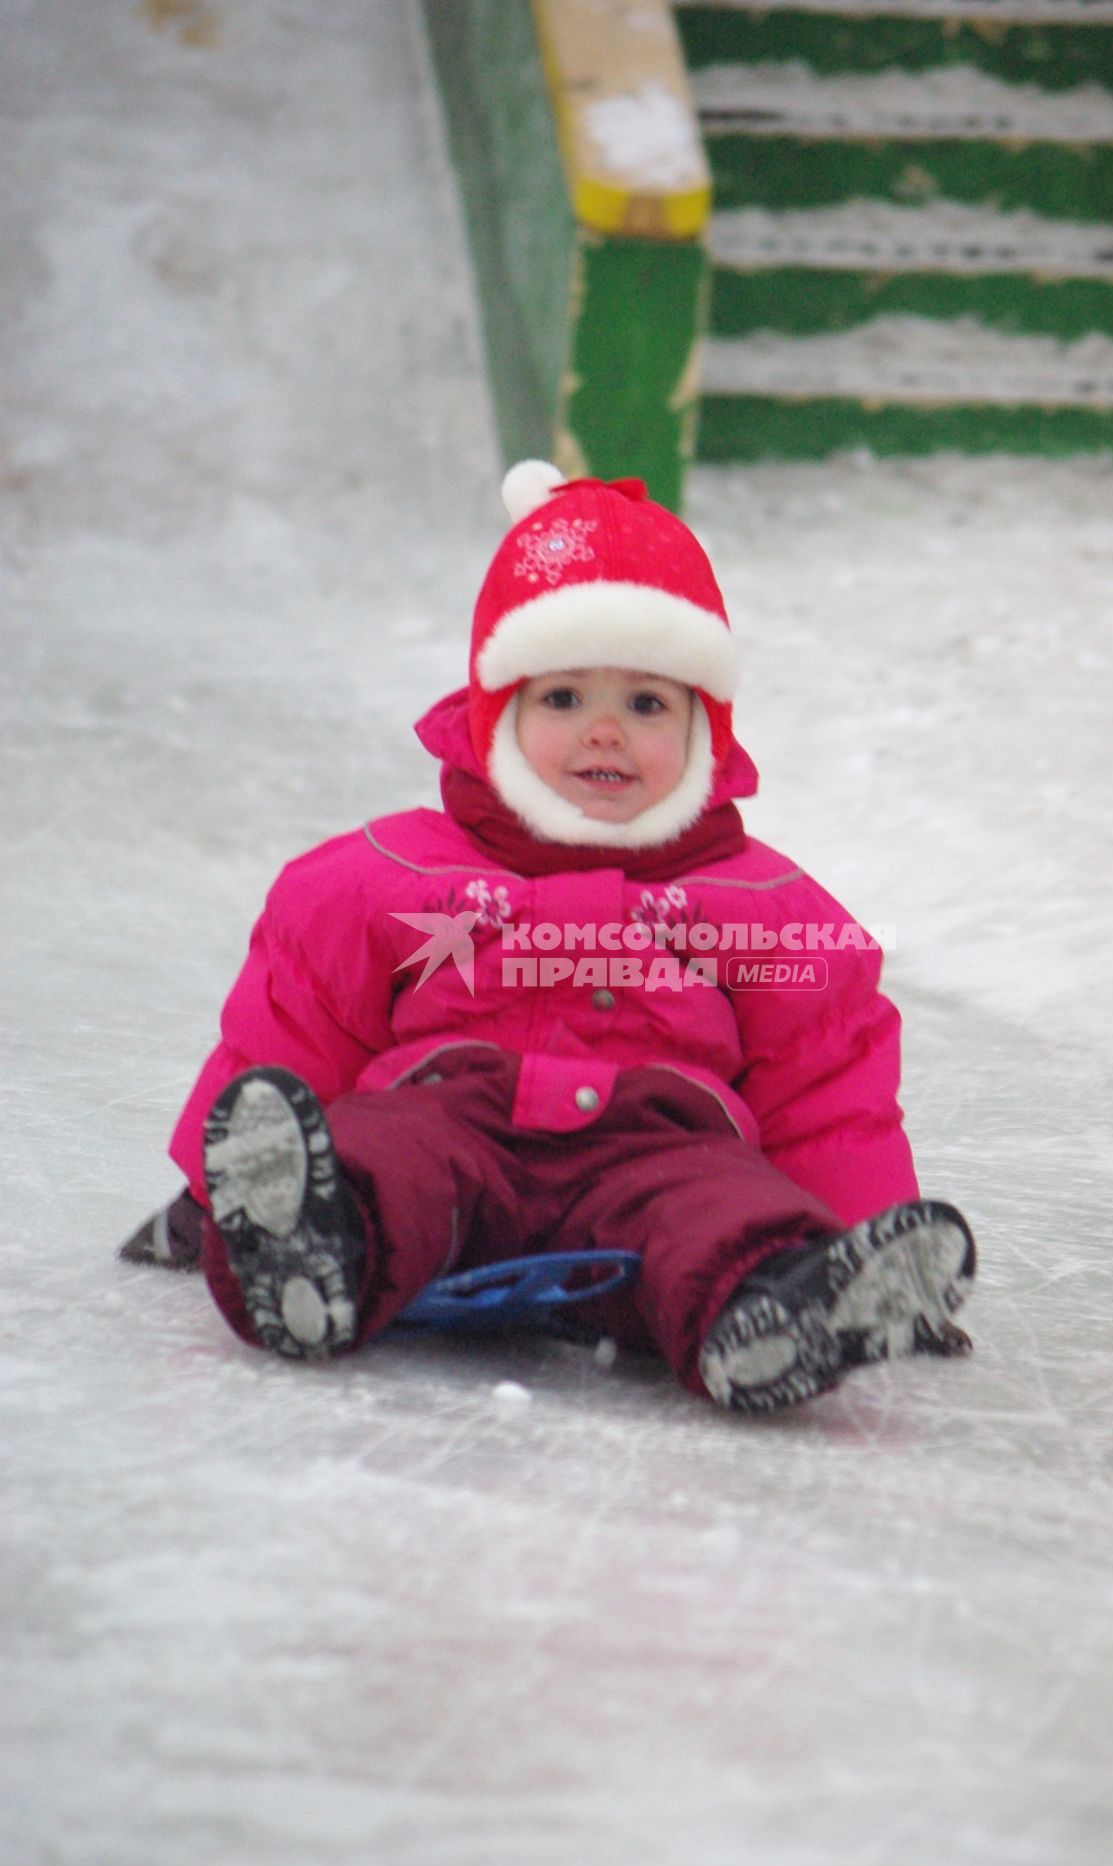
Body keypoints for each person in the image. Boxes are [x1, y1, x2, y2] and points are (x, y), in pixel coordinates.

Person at [122, 461, 976, 1414]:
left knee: (719, 1210)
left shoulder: (763, 904)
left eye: (647, 704)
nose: (604, 732)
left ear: (706, 727)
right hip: (452, 1121)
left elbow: (824, 1086)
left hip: (654, 1152)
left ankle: (783, 1304)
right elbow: (297, 1027)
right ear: (498, 711)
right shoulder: (392, 874)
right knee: (380, 1150)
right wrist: (210, 1191)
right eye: (564, 699)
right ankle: (306, 1244)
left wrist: (861, 1233)